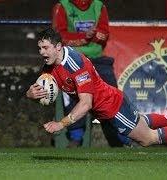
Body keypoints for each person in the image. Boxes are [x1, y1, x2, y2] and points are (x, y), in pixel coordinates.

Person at [26, 28, 167, 148]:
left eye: (46, 48)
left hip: (111, 107)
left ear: (58, 46)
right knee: (143, 122)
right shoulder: (51, 64)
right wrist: (31, 93)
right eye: (39, 48)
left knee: (148, 138)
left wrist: (61, 124)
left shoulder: (76, 64)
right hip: (108, 105)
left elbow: (86, 104)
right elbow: (39, 88)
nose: (42, 53)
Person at [52, 0, 130, 147]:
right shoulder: (62, 6)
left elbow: (104, 34)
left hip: (98, 60)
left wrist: (88, 35)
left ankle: (120, 139)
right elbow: (59, 37)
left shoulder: (98, 6)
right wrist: (85, 36)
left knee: (111, 99)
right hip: (73, 59)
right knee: (72, 99)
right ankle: (75, 138)